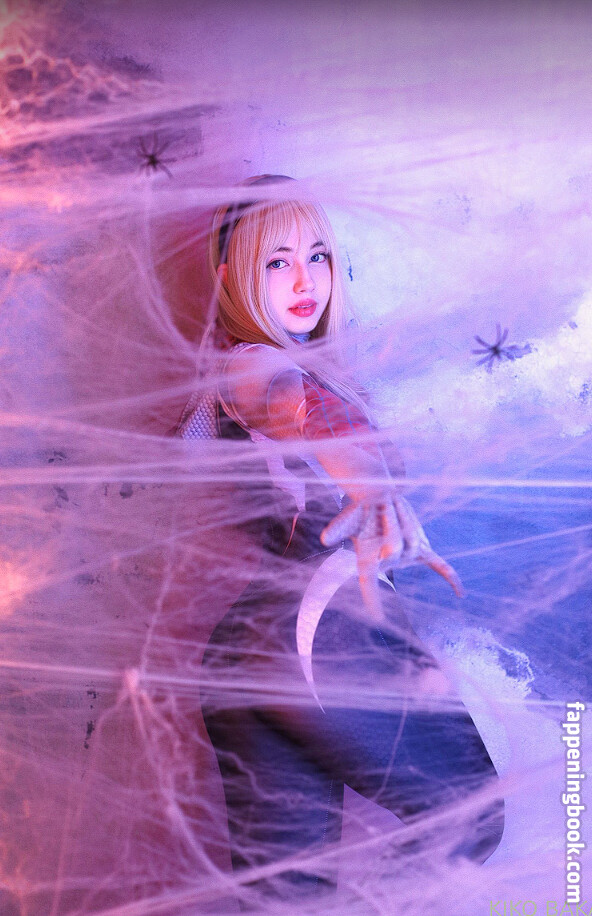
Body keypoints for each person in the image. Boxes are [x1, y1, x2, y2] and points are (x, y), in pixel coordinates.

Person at [178, 176, 504, 908]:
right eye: (277, 262)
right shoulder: (256, 363)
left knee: (288, 900)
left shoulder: (232, 374)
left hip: (249, 653)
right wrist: (370, 485)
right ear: (231, 277)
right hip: (316, 628)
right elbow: (296, 407)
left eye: (318, 256)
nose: (305, 280)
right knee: (470, 817)